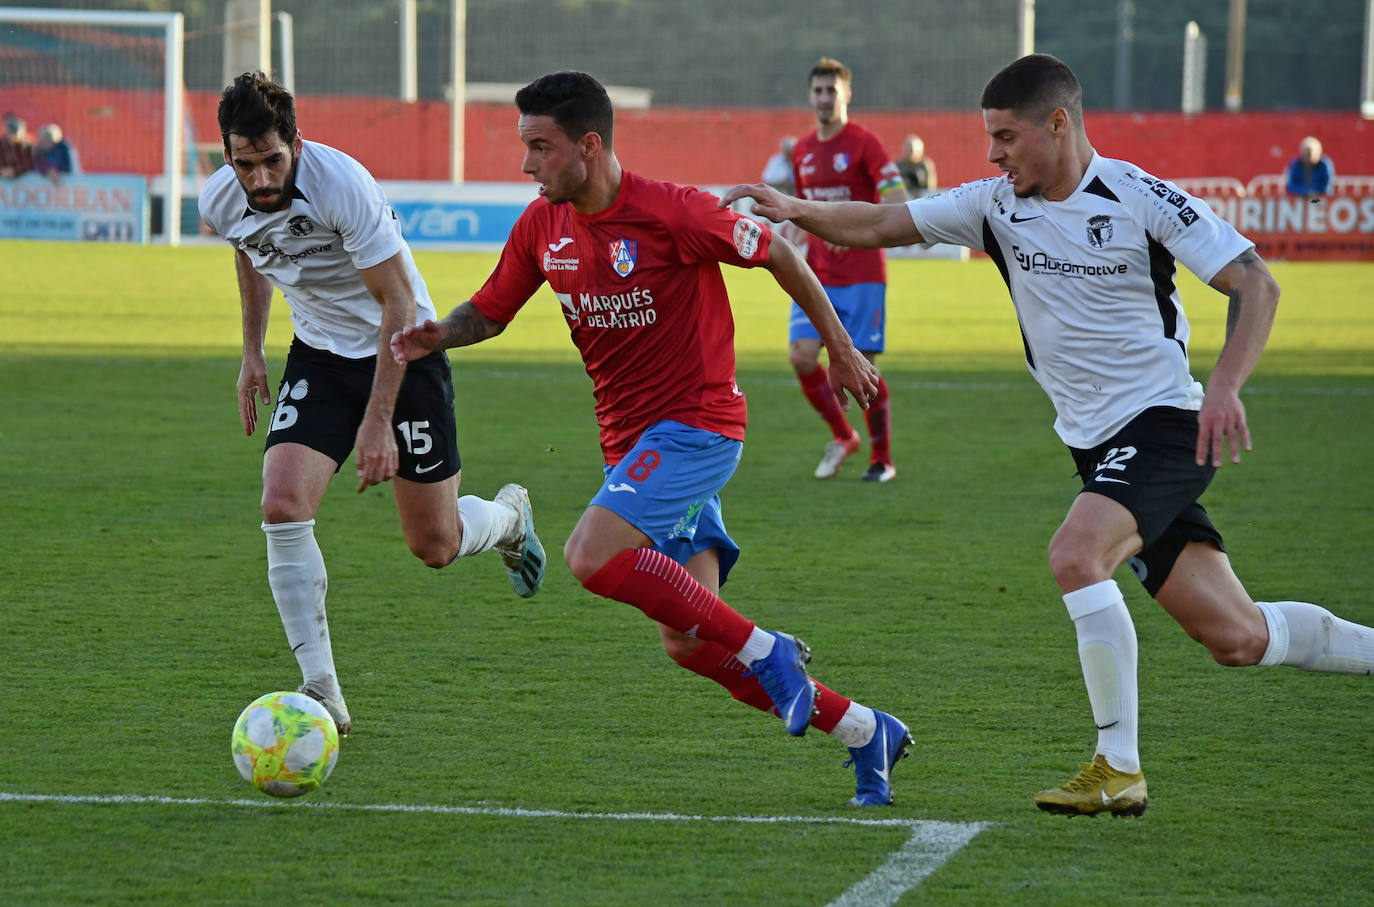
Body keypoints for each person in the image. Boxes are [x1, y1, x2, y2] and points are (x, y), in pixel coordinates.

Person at [723, 53, 1374, 818]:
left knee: (1076, 552)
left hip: (1164, 425)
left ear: (1058, 124)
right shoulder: (995, 204)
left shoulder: (1138, 196)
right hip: (1097, 446)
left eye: (1005, 137)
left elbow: (1255, 281)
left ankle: (1118, 765)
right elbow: (879, 220)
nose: (992, 155)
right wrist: (791, 208)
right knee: (1237, 634)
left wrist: (1225, 386)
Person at [391, 71, 914, 807]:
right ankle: (866, 732)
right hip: (633, 448)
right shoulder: (543, 227)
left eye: (540, 148)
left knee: (588, 553)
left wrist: (839, 345)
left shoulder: (674, 211)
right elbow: (491, 311)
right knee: (689, 640)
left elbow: (779, 253)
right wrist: (434, 335)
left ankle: (771, 653)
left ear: (590, 145)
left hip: (699, 427)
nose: (526, 164)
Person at [198, 72, 547, 739]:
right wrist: (252, 351)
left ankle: (507, 518)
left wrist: (378, 419)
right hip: (320, 357)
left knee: (435, 544)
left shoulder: (342, 185)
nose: (262, 176)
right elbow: (249, 252)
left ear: (295, 143)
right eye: (246, 164)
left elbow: (395, 305)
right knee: (281, 502)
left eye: (272, 159)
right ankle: (323, 692)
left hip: (405, 349)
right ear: (228, 157)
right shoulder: (225, 196)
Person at [790, 59, 909, 483]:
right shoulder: (802, 151)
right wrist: (787, 233)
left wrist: (858, 229)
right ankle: (844, 437)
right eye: (818, 91)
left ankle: (882, 460)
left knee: (863, 373)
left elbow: (897, 198)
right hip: (817, 274)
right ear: (811, 96)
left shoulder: (865, 144)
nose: (824, 98)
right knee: (801, 357)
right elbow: (803, 210)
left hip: (862, 275)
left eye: (831, 91)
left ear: (846, 95)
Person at [1, 112, 34, 178]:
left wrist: (14, 171)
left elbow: (30, 165)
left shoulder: (25, 146)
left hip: (22, 183)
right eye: (9, 126)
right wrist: (2, 171)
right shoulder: (1, 145)